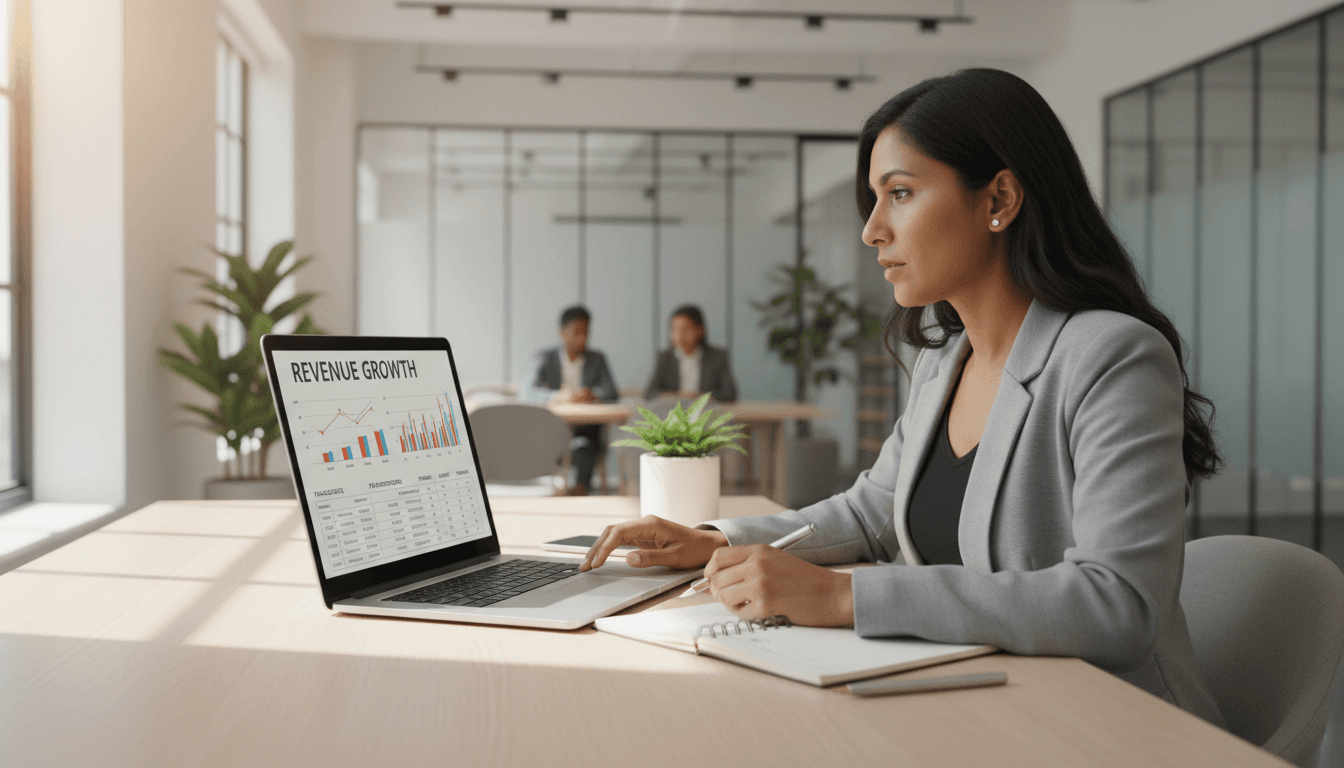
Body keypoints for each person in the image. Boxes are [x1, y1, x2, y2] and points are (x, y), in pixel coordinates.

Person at [580, 68, 1226, 727]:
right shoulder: (945, 361)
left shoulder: (1111, 355)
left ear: (998, 197)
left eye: (902, 193)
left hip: (1113, 728)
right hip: (985, 706)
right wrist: (714, 540)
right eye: (875, 198)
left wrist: (844, 597)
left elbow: (1116, 605)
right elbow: (871, 514)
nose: (873, 231)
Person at [530, 305, 618, 496]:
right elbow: (528, 391)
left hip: (587, 430)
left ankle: (580, 490)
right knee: (567, 445)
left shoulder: (597, 359)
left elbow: (611, 391)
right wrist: (559, 397)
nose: (582, 338)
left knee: (585, 446)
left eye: (586, 332)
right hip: (553, 428)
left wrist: (593, 394)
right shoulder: (545, 358)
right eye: (576, 332)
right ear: (562, 332)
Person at [643, 304, 738, 402]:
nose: (679, 336)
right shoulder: (664, 357)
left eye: (686, 330)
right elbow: (649, 394)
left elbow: (730, 394)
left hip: (706, 413)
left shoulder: (718, 356)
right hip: (672, 413)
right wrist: (674, 396)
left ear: (700, 330)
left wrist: (700, 397)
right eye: (674, 329)